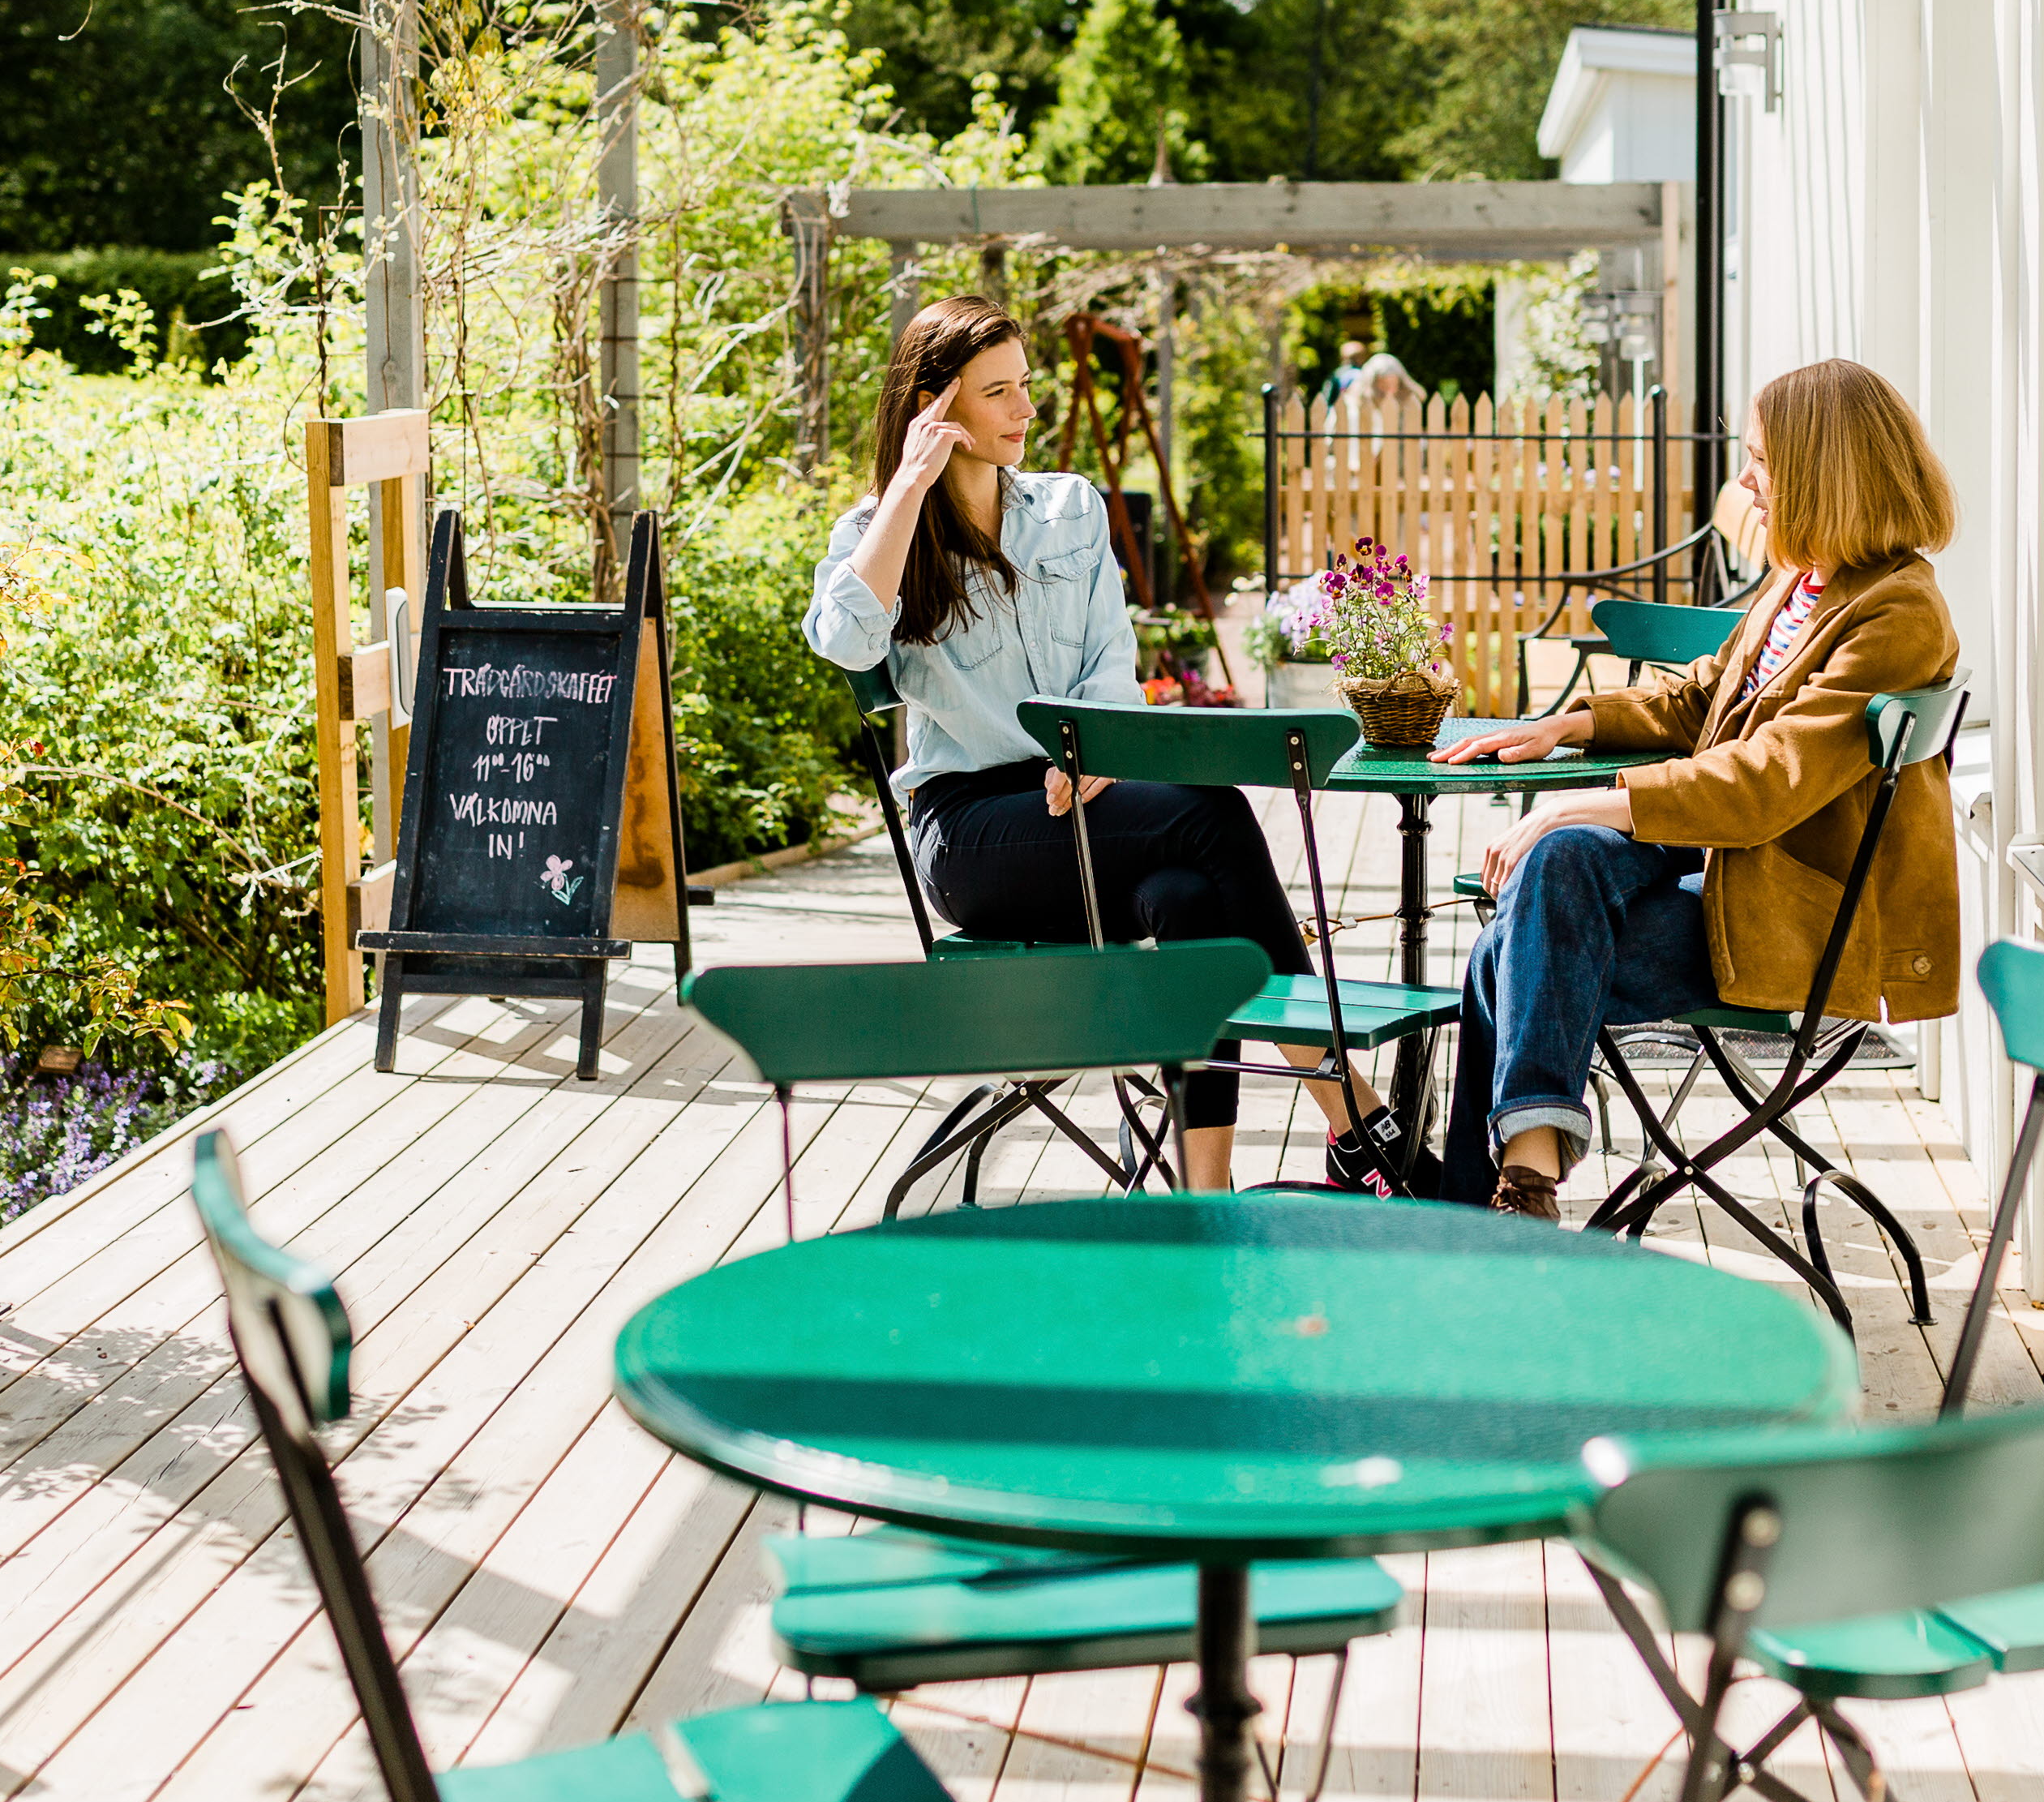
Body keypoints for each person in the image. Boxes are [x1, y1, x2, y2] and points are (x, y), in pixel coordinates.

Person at [805, 296, 1419, 1198]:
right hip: (972, 831)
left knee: (1190, 902)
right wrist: (907, 486)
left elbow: (1109, 661)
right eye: (997, 392)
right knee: (1213, 813)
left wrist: (1096, 748)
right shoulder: (876, 532)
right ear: (934, 406)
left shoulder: (1069, 508)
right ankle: (1353, 1110)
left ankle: (1203, 1195)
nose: (1025, 409)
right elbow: (843, 642)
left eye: (1025, 384)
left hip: (1085, 799)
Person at [1429, 358, 1962, 1220]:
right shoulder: (1808, 582)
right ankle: (1504, 1198)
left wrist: (1581, 800)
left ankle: (1498, 1202)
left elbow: (1767, 779)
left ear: (1822, 473)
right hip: (1728, 875)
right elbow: (1703, 698)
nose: (1745, 483)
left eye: (1761, 461)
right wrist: (1570, 725)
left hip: (1789, 920)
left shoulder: (1897, 614)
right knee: (1551, 879)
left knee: (1514, 938)